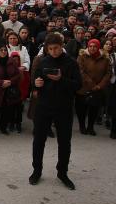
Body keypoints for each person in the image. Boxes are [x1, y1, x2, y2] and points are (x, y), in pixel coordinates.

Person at [30, 33, 81, 190]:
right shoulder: (43, 61)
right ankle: (37, 170)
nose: (53, 51)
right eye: (50, 49)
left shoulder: (71, 63)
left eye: (56, 48)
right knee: (39, 141)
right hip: (44, 106)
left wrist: (62, 80)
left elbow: (78, 85)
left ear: (62, 46)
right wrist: (36, 83)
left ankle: (62, 172)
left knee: (64, 142)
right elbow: (35, 81)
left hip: (64, 107)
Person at [75, 39, 110, 135]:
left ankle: (90, 127)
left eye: (95, 46)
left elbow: (108, 73)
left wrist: (99, 86)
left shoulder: (105, 58)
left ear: (98, 47)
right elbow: (80, 71)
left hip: (97, 89)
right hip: (83, 88)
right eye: (90, 46)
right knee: (81, 109)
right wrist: (91, 83)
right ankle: (82, 126)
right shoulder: (82, 56)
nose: (92, 48)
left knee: (94, 109)